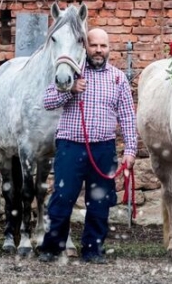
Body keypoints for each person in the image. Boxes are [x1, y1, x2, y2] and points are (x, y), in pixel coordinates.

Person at [38, 28, 138, 264]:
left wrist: (131, 150)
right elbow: (47, 101)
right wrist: (69, 91)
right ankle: (52, 247)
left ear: (109, 48)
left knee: (100, 201)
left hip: (103, 148)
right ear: (85, 46)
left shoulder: (117, 77)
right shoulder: (70, 73)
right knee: (62, 198)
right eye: (94, 45)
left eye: (103, 46)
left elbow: (127, 116)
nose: (98, 50)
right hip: (70, 146)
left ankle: (93, 249)